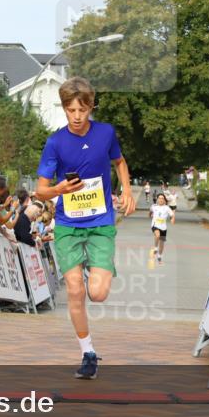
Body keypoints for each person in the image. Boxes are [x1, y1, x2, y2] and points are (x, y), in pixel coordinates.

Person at [34, 76, 136, 380]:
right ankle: (88, 352)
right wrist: (60, 188)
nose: (77, 117)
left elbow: (119, 162)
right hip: (67, 224)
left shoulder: (106, 134)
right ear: (64, 109)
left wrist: (127, 191)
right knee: (76, 291)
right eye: (71, 110)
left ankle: (96, 267)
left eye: (82, 110)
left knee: (99, 293)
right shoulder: (55, 142)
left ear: (90, 107)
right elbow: (40, 190)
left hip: (100, 222)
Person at [148, 193, 176, 264]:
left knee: (162, 244)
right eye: (159, 198)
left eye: (162, 198)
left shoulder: (167, 208)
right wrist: (150, 215)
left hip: (163, 228)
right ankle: (155, 248)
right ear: (157, 199)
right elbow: (150, 211)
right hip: (155, 225)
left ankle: (159, 256)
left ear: (164, 200)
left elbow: (172, 215)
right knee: (157, 235)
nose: (160, 200)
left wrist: (172, 219)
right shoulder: (154, 206)